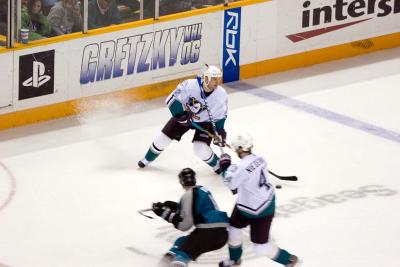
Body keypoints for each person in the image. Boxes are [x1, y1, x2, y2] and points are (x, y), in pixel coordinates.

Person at [217, 133, 301, 267]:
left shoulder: (240, 167)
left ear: (239, 148)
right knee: (233, 230)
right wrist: (230, 166)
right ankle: (234, 261)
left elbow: (231, 184)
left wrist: (225, 164)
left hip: (261, 209)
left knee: (260, 248)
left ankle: (289, 260)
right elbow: (243, 173)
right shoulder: (260, 159)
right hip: (248, 204)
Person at [138, 65, 228, 174]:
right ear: (206, 78)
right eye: (214, 79)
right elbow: (171, 100)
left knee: (199, 148)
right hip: (184, 115)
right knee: (162, 139)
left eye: (218, 79)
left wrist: (220, 132)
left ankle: (217, 164)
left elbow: (220, 116)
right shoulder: (190, 85)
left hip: (205, 122)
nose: (217, 82)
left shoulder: (221, 94)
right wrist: (181, 116)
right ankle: (147, 159)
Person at [152, 168, 229, 266]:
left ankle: (170, 263)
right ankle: (166, 261)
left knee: (183, 253)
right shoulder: (203, 189)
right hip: (223, 234)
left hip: (208, 231)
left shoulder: (187, 196)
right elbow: (199, 209)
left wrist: (164, 213)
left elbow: (184, 225)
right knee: (182, 241)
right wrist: (177, 207)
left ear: (181, 181)